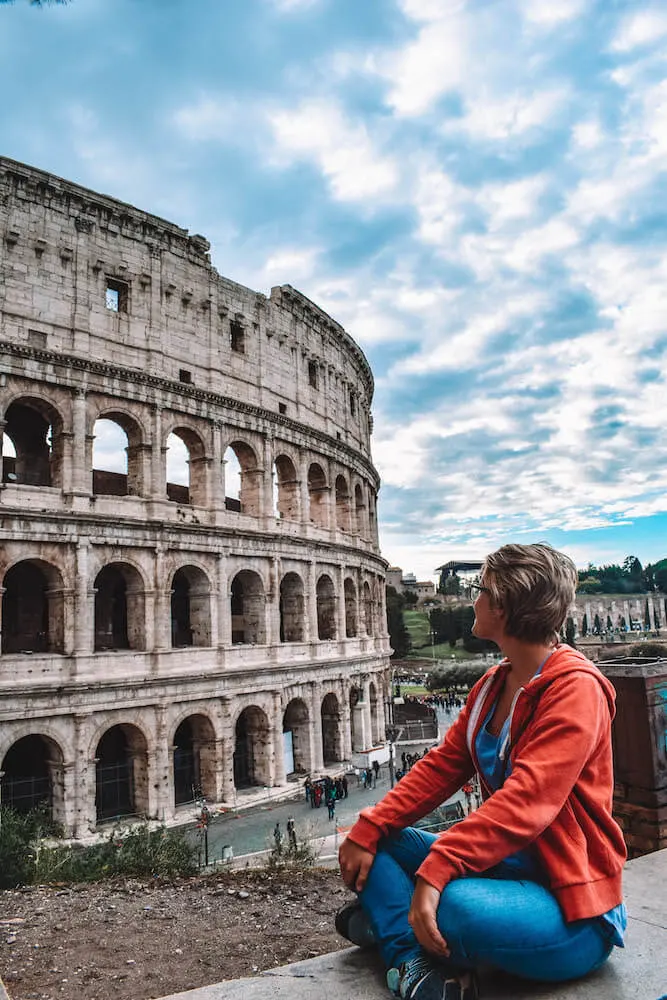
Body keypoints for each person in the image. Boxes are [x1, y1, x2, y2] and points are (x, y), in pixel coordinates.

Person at [337, 543, 627, 1000]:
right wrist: (371, 824)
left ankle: (395, 929)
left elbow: (527, 802)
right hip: (507, 868)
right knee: (374, 837)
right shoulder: (493, 686)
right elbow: (440, 767)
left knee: (451, 906)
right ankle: (411, 957)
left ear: (505, 606)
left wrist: (437, 870)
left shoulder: (577, 691)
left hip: (572, 908)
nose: (473, 599)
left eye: (481, 589)